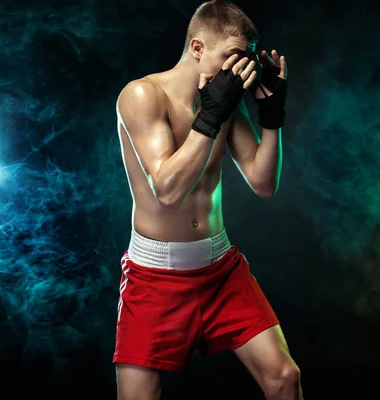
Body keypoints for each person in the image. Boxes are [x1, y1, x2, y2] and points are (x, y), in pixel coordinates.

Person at [112, 1, 302, 399]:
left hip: (220, 269)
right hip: (155, 277)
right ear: (198, 48)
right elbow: (167, 189)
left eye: (245, 61)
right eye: (232, 58)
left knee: (285, 377)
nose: (240, 73)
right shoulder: (143, 95)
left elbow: (263, 183)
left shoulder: (224, 102)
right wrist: (212, 115)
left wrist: (272, 118)